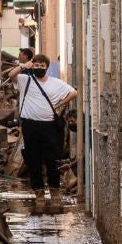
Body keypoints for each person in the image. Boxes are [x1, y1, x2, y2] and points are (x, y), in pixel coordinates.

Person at [14, 59, 77, 198]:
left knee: (52, 160)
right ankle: (39, 193)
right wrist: (23, 66)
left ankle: (54, 191)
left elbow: (73, 93)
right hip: (30, 126)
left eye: (42, 65)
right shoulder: (26, 80)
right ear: (32, 66)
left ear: (47, 67)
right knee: (32, 160)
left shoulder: (55, 83)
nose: (39, 67)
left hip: (49, 126)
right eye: (36, 65)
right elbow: (11, 75)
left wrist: (60, 103)